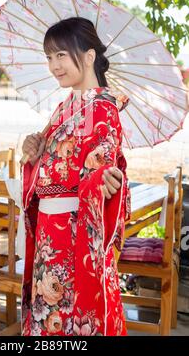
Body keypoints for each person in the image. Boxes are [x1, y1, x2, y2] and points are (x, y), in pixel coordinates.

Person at [20, 17, 131, 336]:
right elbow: (49, 167)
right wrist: (34, 152)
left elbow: (103, 169)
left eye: (60, 55)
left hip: (74, 235)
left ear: (89, 56)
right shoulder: (64, 108)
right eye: (49, 57)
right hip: (48, 234)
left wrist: (106, 180)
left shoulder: (103, 109)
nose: (53, 66)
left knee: (72, 321)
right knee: (50, 317)